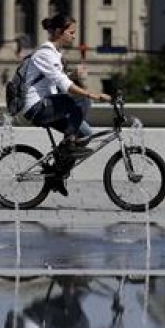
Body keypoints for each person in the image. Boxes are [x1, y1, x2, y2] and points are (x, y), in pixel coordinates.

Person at [16, 13, 111, 196]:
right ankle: (68, 142)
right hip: (36, 107)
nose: (74, 36)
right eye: (71, 32)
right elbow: (65, 86)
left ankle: (57, 175)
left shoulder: (55, 54)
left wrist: (73, 75)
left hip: (50, 105)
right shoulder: (45, 53)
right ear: (60, 32)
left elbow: (56, 81)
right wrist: (94, 95)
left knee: (85, 134)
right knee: (82, 99)